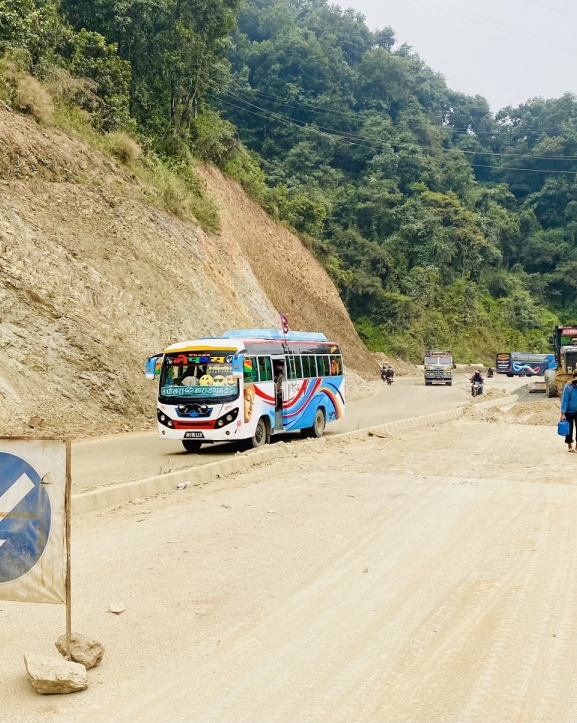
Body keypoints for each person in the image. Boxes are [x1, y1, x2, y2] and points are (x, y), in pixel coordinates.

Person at [560, 372, 577, 453]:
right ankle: (569, 445)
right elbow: (564, 401)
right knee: (568, 429)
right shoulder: (568, 387)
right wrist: (563, 414)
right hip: (568, 412)